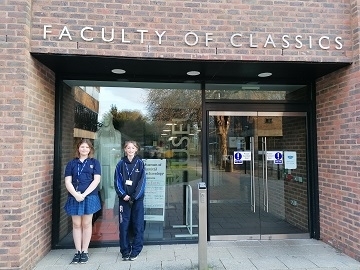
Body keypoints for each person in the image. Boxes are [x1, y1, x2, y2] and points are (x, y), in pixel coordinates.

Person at [64, 138, 101, 264]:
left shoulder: (95, 163)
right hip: (74, 197)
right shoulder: (71, 164)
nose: (84, 149)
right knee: (76, 224)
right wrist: (75, 194)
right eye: (82, 147)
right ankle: (77, 251)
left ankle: (85, 251)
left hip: (89, 196)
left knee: (86, 224)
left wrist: (84, 194)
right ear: (78, 148)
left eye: (87, 147)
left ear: (90, 149)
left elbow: (96, 180)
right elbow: (68, 181)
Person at [114, 141, 146, 261]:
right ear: (125, 150)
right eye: (128, 148)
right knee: (124, 225)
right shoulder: (120, 164)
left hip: (137, 199)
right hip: (124, 199)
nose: (130, 150)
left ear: (136, 149)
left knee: (138, 225)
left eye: (133, 148)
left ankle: (136, 250)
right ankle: (125, 250)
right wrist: (123, 195)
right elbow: (117, 181)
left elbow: (142, 182)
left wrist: (134, 196)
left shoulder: (140, 163)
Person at [95, 112, 122, 212]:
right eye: (104, 118)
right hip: (101, 164)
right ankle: (104, 210)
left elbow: (118, 150)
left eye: (107, 118)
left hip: (112, 165)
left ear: (110, 120)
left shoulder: (117, 134)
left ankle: (110, 210)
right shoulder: (98, 134)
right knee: (101, 187)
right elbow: (95, 149)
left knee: (111, 187)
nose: (105, 120)